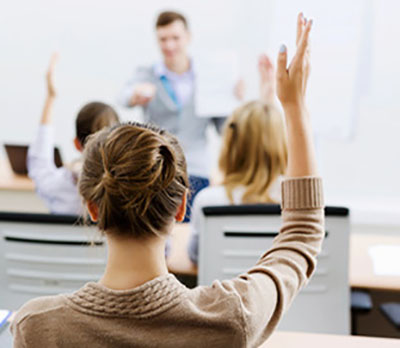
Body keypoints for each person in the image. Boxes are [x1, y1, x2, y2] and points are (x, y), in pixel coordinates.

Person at [12, 14, 323, 347]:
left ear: (93, 208)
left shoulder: (38, 326)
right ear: (180, 207)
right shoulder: (231, 317)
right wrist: (293, 106)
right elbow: (302, 235)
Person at [118, 10, 244, 221]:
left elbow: (225, 130)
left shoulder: (208, 77)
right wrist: (135, 95)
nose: (169, 45)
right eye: (163, 39)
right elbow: (122, 96)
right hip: (157, 170)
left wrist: (234, 101)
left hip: (196, 170)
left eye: (175, 38)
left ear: (188, 37)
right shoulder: (147, 73)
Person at [187, 54, 288, 264]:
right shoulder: (296, 202)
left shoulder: (209, 201)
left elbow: (196, 256)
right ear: (280, 144)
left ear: (231, 145)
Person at [28, 54, 120, 215]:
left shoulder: (56, 186)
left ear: (77, 144)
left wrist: (50, 98)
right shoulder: (126, 192)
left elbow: (39, 163)